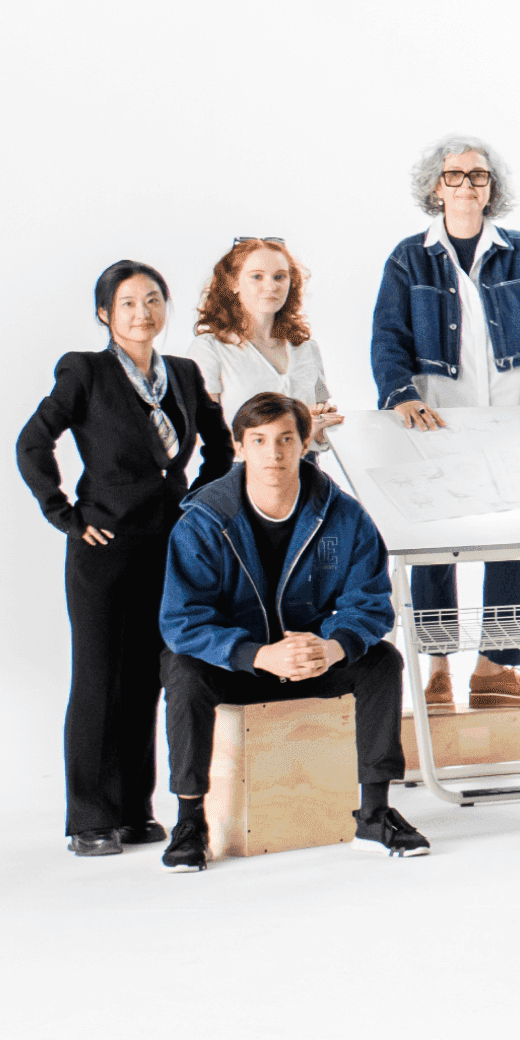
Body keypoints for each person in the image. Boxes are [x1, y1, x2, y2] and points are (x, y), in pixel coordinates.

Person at [367, 135, 520, 713]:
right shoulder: (409, 257)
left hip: (514, 422)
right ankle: (438, 670)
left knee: (515, 541)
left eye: (479, 176)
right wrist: (399, 393)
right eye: (455, 175)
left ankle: (496, 667)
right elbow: (387, 336)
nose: (467, 185)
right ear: (436, 187)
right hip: (438, 424)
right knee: (435, 544)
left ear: (491, 188)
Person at [154, 393, 429, 869]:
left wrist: (333, 647)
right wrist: (257, 654)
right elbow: (182, 621)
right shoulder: (204, 521)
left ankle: (374, 813)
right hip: (238, 668)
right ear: (239, 447)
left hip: (313, 662)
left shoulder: (345, 516)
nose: (274, 454)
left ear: (305, 444)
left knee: (383, 661)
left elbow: (368, 603)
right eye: (259, 441)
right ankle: (190, 820)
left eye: (286, 440)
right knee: (181, 668)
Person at [22, 262, 224, 857]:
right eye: (128, 302)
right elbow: (33, 442)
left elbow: (219, 445)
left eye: (153, 299)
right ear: (105, 313)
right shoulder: (84, 371)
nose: (143, 313)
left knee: (145, 677)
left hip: (166, 547)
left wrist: (195, 504)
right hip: (102, 549)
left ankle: (134, 810)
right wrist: (65, 514)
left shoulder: (182, 373)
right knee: (97, 678)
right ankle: (90, 818)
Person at [182, 238, 346, 462]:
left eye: (279, 277)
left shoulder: (308, 349)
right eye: (257, 276)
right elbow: (205, 435)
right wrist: (291, 432)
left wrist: (320, 426)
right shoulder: (209, 349)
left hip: (305, 470)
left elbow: (321, 413)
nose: (271, 286)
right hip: (241, 474)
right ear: (234, 283)